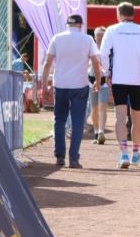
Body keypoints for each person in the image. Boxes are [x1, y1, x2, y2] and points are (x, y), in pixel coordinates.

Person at [100, 2, 140, 169]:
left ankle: (124, 153)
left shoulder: (112, 30)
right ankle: (136, 152)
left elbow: (103, 54)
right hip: (138, 80)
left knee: (120, 117)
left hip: (119, 79)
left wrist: (106, 72)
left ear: (119, 14)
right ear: (133, 14)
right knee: (137, 117)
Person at [41, 14, 100, 168]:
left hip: (60, 84)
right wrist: (98, 80)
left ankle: (59, 156)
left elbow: (47, 63)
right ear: (80, 25)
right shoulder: (87, 39)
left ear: (67, 24)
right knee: (78, 122)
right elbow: (95, 62)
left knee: (59, 120)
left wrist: (44, 85)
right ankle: (74, 158)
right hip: (80, 85)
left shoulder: (57, 38)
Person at [89, 26, 110, 144]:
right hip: (91, 80)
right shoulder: (90, 48)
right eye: (98, 34)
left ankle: (101, 131)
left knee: (102, 106)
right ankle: (96, 132)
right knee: (94, 108)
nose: (100, 37)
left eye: (102, 34)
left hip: (104, 81)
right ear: (94, 36)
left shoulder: (108, 48)